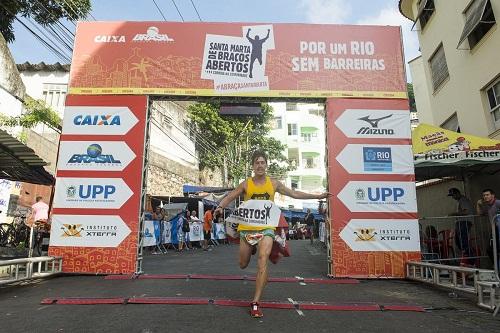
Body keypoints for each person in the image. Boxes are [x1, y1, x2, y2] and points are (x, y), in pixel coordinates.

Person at [215, 150, 329, 318]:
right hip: (247, 229)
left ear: (266, 165)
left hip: (267, 228)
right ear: (253, 166)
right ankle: (253, 249)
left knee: (263, 259)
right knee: (243, 264)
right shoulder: (246, 184)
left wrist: (318, 195)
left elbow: (295, 193)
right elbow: (230, 197)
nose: (260, 165)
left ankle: (255, 303)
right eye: (257, 163)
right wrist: (220, 207)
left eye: (262, 162)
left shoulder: (274, 184)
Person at [448, 188, 475, 258]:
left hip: (464, 222)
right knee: (458, 241)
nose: (452, 197)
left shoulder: (463, 200)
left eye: (453, 195)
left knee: (463, 241)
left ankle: (470, 259)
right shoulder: (459, 201)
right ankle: (467, 256)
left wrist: (454, 214)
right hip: (461, 222)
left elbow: (466, 212)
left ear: (457, 193)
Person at [477, 189, 500, 270]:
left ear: (493, 195)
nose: (485, 197)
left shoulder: (497, 203)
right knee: (490, 249)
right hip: (494, 229)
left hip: (498, 228)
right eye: (484, 195)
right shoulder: (487, 206)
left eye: (487, 195)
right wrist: (478, 204)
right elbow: (480, 213)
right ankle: (496, 265)